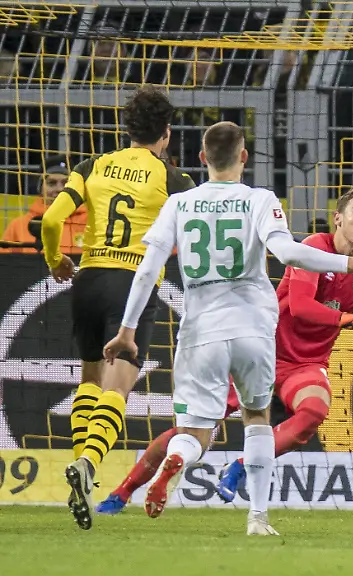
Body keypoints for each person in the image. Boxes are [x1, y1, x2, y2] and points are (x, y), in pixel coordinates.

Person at [95, 182, 353, 513]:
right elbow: (302, 307)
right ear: (338, 219)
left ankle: (241, 466)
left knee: (314, 410)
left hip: (304, 365)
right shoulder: (313, 249)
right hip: (260, 353)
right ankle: (122, 492)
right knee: (191, 433)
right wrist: (350, 320)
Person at [101, 122, 353, 535]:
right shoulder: (260, 199)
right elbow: (289, 252)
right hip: (253, 330)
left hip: (201, 332)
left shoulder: (179, 203)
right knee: (257, 419)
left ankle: (178, 458)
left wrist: (127, 330)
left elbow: (147, 271)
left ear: (202, 159)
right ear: (244, 158)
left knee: (193, 432)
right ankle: (257, 517)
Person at [39, 85, 196, 530]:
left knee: (89, 381)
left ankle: (82, 477)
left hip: (88, 279)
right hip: (132, 284)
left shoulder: (91, 166)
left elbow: (51, 219)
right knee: (117, 388)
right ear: (166, 133)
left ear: (127, 130)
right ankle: (89, 462)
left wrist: (55, 260)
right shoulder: (173, 179)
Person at [1, 154, 87, 254]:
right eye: (51, 183)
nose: (59, 189)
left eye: (66, 183)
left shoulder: (93, 223)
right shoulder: (19, 226)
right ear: (40, 188)